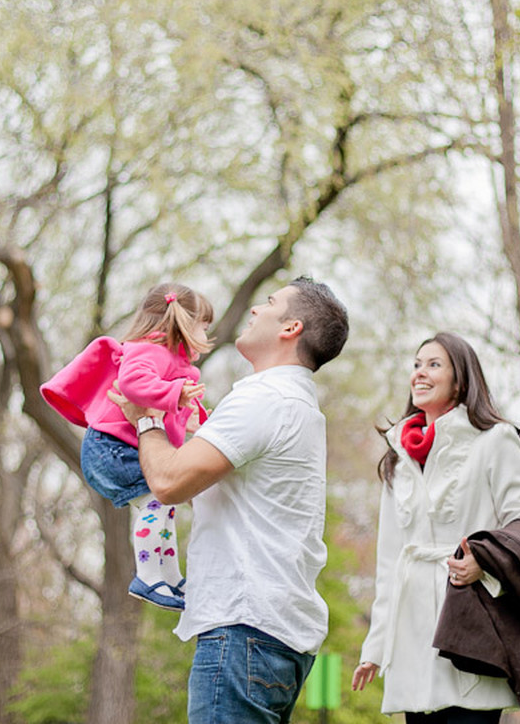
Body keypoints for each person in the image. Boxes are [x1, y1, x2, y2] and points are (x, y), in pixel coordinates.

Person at [109, 277, 348, 724]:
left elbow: (169, 481)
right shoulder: (295, 405)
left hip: (244, 630)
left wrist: (146, 419)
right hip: (275, 634)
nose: (256, 309)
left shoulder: (264, 399)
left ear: (290, 327)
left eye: (270, 303)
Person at [352, 332, 520, 724]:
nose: (420, 373)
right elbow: (389, 561)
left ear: (461, 379)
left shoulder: (495, 440)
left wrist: (486, 562)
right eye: (417, 364)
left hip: (471, 634)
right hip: (411, 645)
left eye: (434, 364)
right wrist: (375, 647)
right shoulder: (398, 456)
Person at [41, 282, 214, 610]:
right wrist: (175, 394)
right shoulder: (148, 351)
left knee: (166, 506)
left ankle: (169, 575)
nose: (207, 336)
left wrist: (191, 419)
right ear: (181, 324)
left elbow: (169, 408)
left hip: (124, 449)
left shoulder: (175, 365)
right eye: (203, 327)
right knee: (157, 503)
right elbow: (134, 384)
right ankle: (149, 576)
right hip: (112, 449)